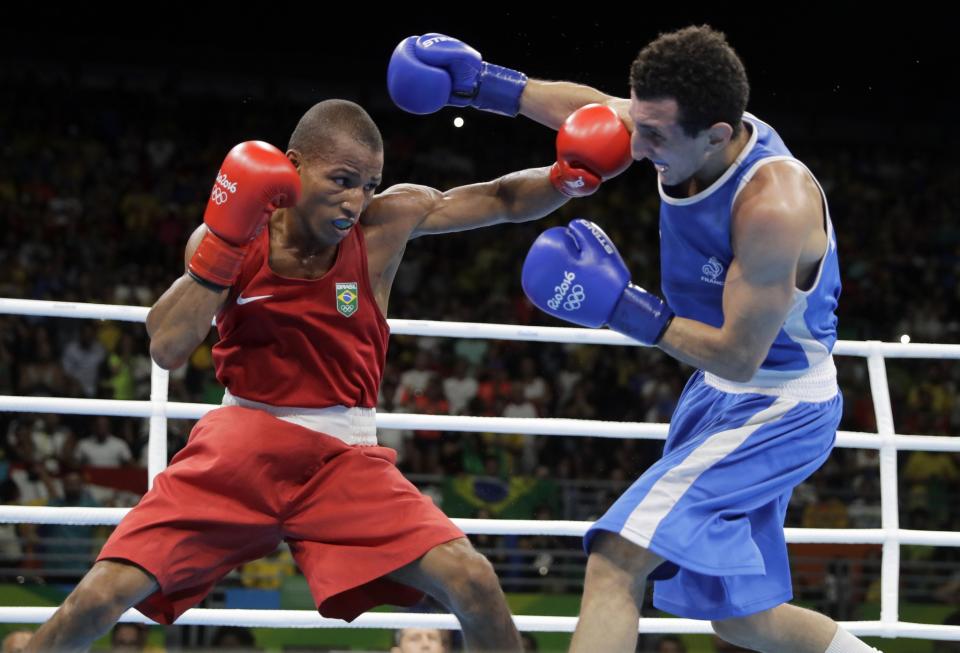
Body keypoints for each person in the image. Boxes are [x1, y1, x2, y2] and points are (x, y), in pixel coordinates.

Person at [25, 95, 631, 653]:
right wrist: (223, 247)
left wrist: (565, 179)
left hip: (343, 459)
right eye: (341, 181)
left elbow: (498, 199)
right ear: (291, 168)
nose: (354, 201)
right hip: (238, 450)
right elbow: (166, 346)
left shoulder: (382, 226)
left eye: (367, 185)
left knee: (472, 580)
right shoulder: (235, 235)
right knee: (99, 595)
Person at [390, 26, 881, 653]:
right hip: (715, 393)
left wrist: (626, 309)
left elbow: (739, 352)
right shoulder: (672, 123)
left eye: (653, 137)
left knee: (616, 559)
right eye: (637, 121)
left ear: (717, 136)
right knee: (743, 620)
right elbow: (588, 109)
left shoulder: (773, 208)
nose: (634, 144)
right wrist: (481, 85)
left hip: (777, 402)